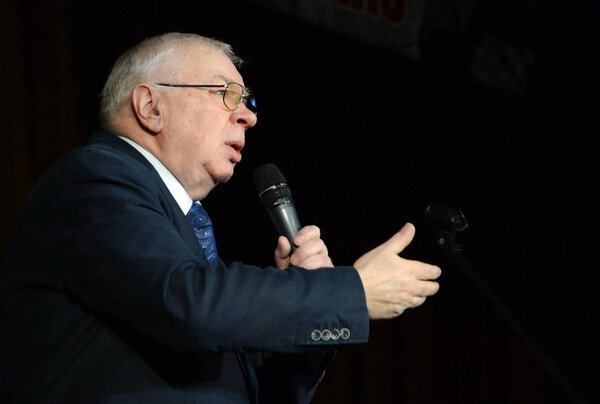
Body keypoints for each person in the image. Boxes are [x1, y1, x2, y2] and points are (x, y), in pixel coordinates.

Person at [1, 32, 441, 403]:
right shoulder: (94, 179)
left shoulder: (181, 227)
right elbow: (187, 304)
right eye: (226, 94)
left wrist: (304, 304)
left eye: (248, 101)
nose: (248, 116)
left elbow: (256, 391)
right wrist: (346, 294)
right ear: (150, 107)